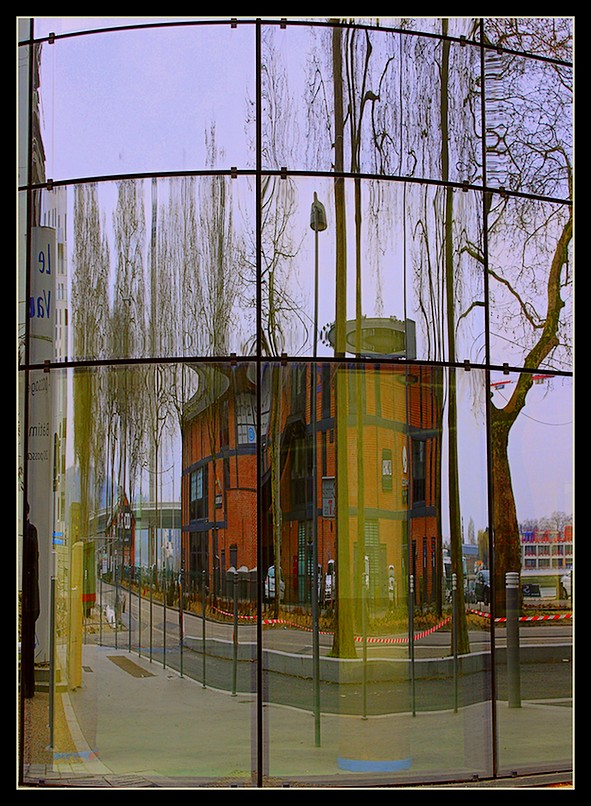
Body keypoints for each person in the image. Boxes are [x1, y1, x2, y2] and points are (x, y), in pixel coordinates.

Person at [21, 503, 40, 699]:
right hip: (28, 600)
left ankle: (28, 687)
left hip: (28, 601)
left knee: (27, 646)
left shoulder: (30, 532)